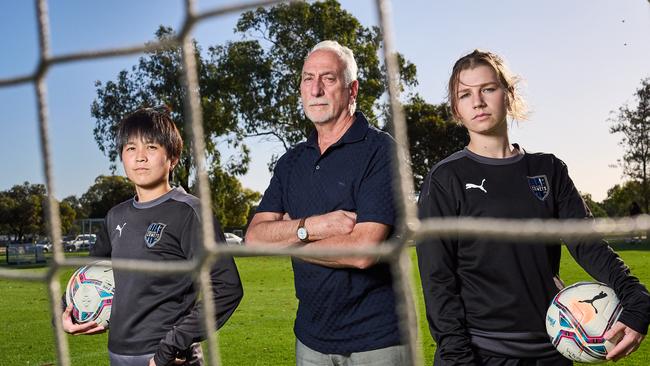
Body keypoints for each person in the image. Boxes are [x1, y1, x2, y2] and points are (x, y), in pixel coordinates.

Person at [416, 49, 650, 365]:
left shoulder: (548, 170)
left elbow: (587, 244)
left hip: (552, 350)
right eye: (465, 94)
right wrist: (457, 356)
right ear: (456, 109)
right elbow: (437, 278)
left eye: (488, 88)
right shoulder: (446, 177)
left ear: (508, 95)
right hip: (480, 353)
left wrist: (635, 297)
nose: (478, 101)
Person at [245, 40, 407, 365]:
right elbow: (254, 238)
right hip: (310, 342)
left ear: (352, 89)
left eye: (328, 78)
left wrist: (287, 235)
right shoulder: (291, 162)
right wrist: (317, 226)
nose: (315, 89)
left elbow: (362, 252)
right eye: (308, 78)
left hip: (376, 343)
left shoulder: (381, 150)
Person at [61, 107, 243, 366]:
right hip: (118, 354)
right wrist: (66, 311)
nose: (140, 157)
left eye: (152, 147)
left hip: (169, 357)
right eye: (131, 148)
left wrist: (171, 347)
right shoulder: (115, 216)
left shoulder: (189, 212)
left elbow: (226, 288)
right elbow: (89, 274)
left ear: (173, 157)